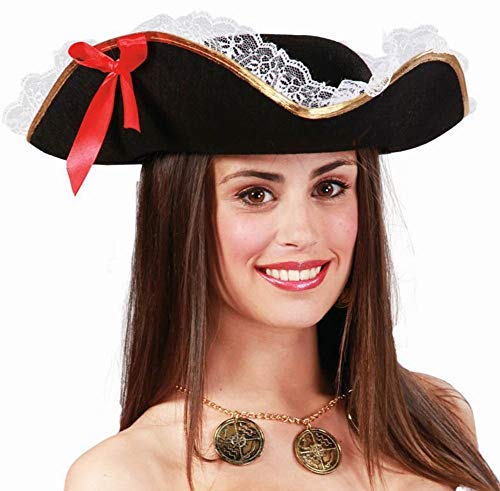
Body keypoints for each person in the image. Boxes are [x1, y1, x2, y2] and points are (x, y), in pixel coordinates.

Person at [3, 10, 498, 491]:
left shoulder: (433, 418)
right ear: (181, 218)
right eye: (255, 194)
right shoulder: (129, 476)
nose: (302, 232)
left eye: (329, 188)